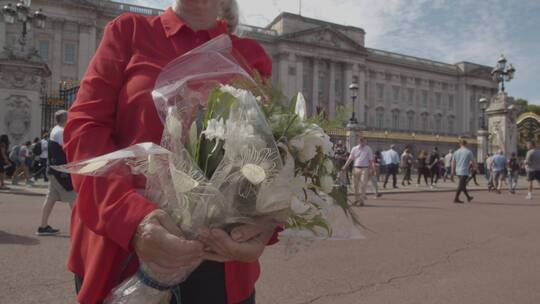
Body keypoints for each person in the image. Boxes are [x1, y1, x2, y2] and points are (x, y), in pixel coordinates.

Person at [63, 1, 277, 303]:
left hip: (221, 261)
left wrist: (265, 224)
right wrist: (133, 220)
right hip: (124, 247)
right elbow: (85, 128)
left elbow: (272, 152)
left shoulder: (252, 54)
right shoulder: (128, 31)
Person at [37, 111, 77, 236]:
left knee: (51, 199)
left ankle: (43, 226)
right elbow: (69, 149)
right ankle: (80, 230)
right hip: (60, 172)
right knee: (73, 198)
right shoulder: (61, 132)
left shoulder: (55, 130)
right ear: (65, 118)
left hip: (54, 170)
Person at [342, 137, 374, 206]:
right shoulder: (354, 149)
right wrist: (345, 166)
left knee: (363, 185)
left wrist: (372, 169)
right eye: (363, 142)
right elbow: (350, 159)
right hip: (355, 168)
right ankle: (356, 200)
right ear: (360, 142)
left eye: (366, 141)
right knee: (355, 186)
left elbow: (371, 160)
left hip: (364, 169)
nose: (365, 143)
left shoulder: (368, 149)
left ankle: (361, 201)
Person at [451, 139, 476, 203]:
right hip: (464, 171)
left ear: (460, 144)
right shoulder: (468, 152)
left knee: (462, 185)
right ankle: (456, 198)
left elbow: (453, 162)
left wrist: (452, 171)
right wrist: (475, 168)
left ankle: (468, 197)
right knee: (461, 185)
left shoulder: (456, 152)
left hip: (458, 170)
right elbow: (473, 161)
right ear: (466, 144)